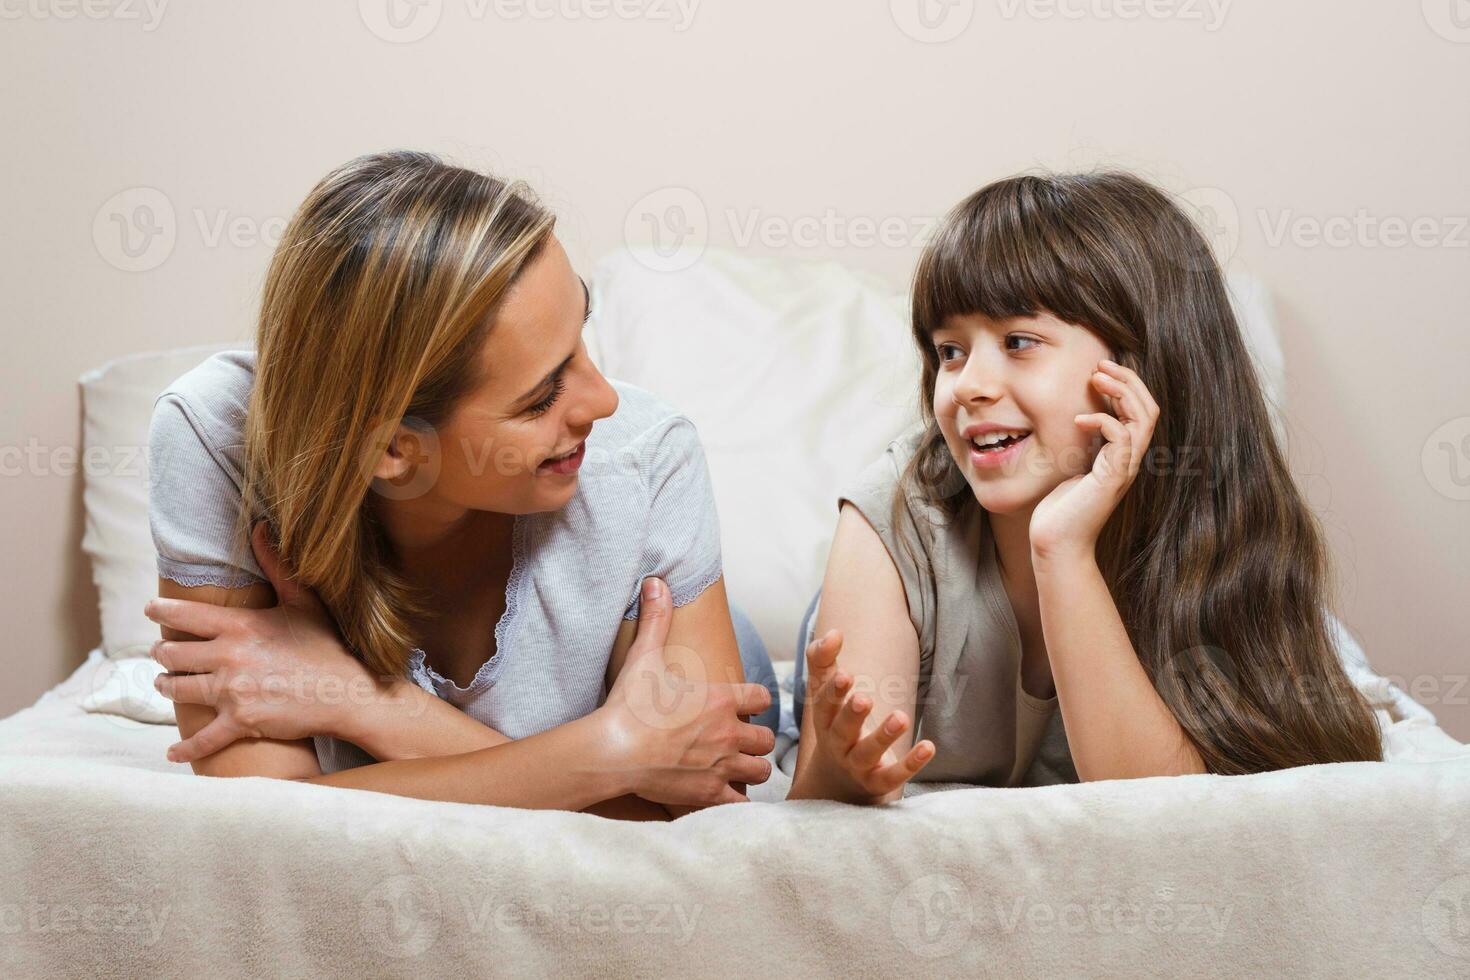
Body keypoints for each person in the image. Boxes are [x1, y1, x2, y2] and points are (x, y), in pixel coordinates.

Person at [144, 150, 778, 820]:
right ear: (392, 447)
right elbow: (258, 814)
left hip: (708, 653)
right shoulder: (217, 437)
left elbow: (694, 815)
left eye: (581, 337)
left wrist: (361, 702)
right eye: (539, 398)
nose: (603, 401)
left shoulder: (648, 456)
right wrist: (614, 759)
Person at [789, 171, 1383, 805]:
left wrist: (1062, 552)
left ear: (1139, 364)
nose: (965, 385)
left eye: (1019, 342)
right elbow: (822, 804)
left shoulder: (1224, 542)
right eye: (950, 351)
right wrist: (840, 771)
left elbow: (1168, 821)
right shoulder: (894, 514)